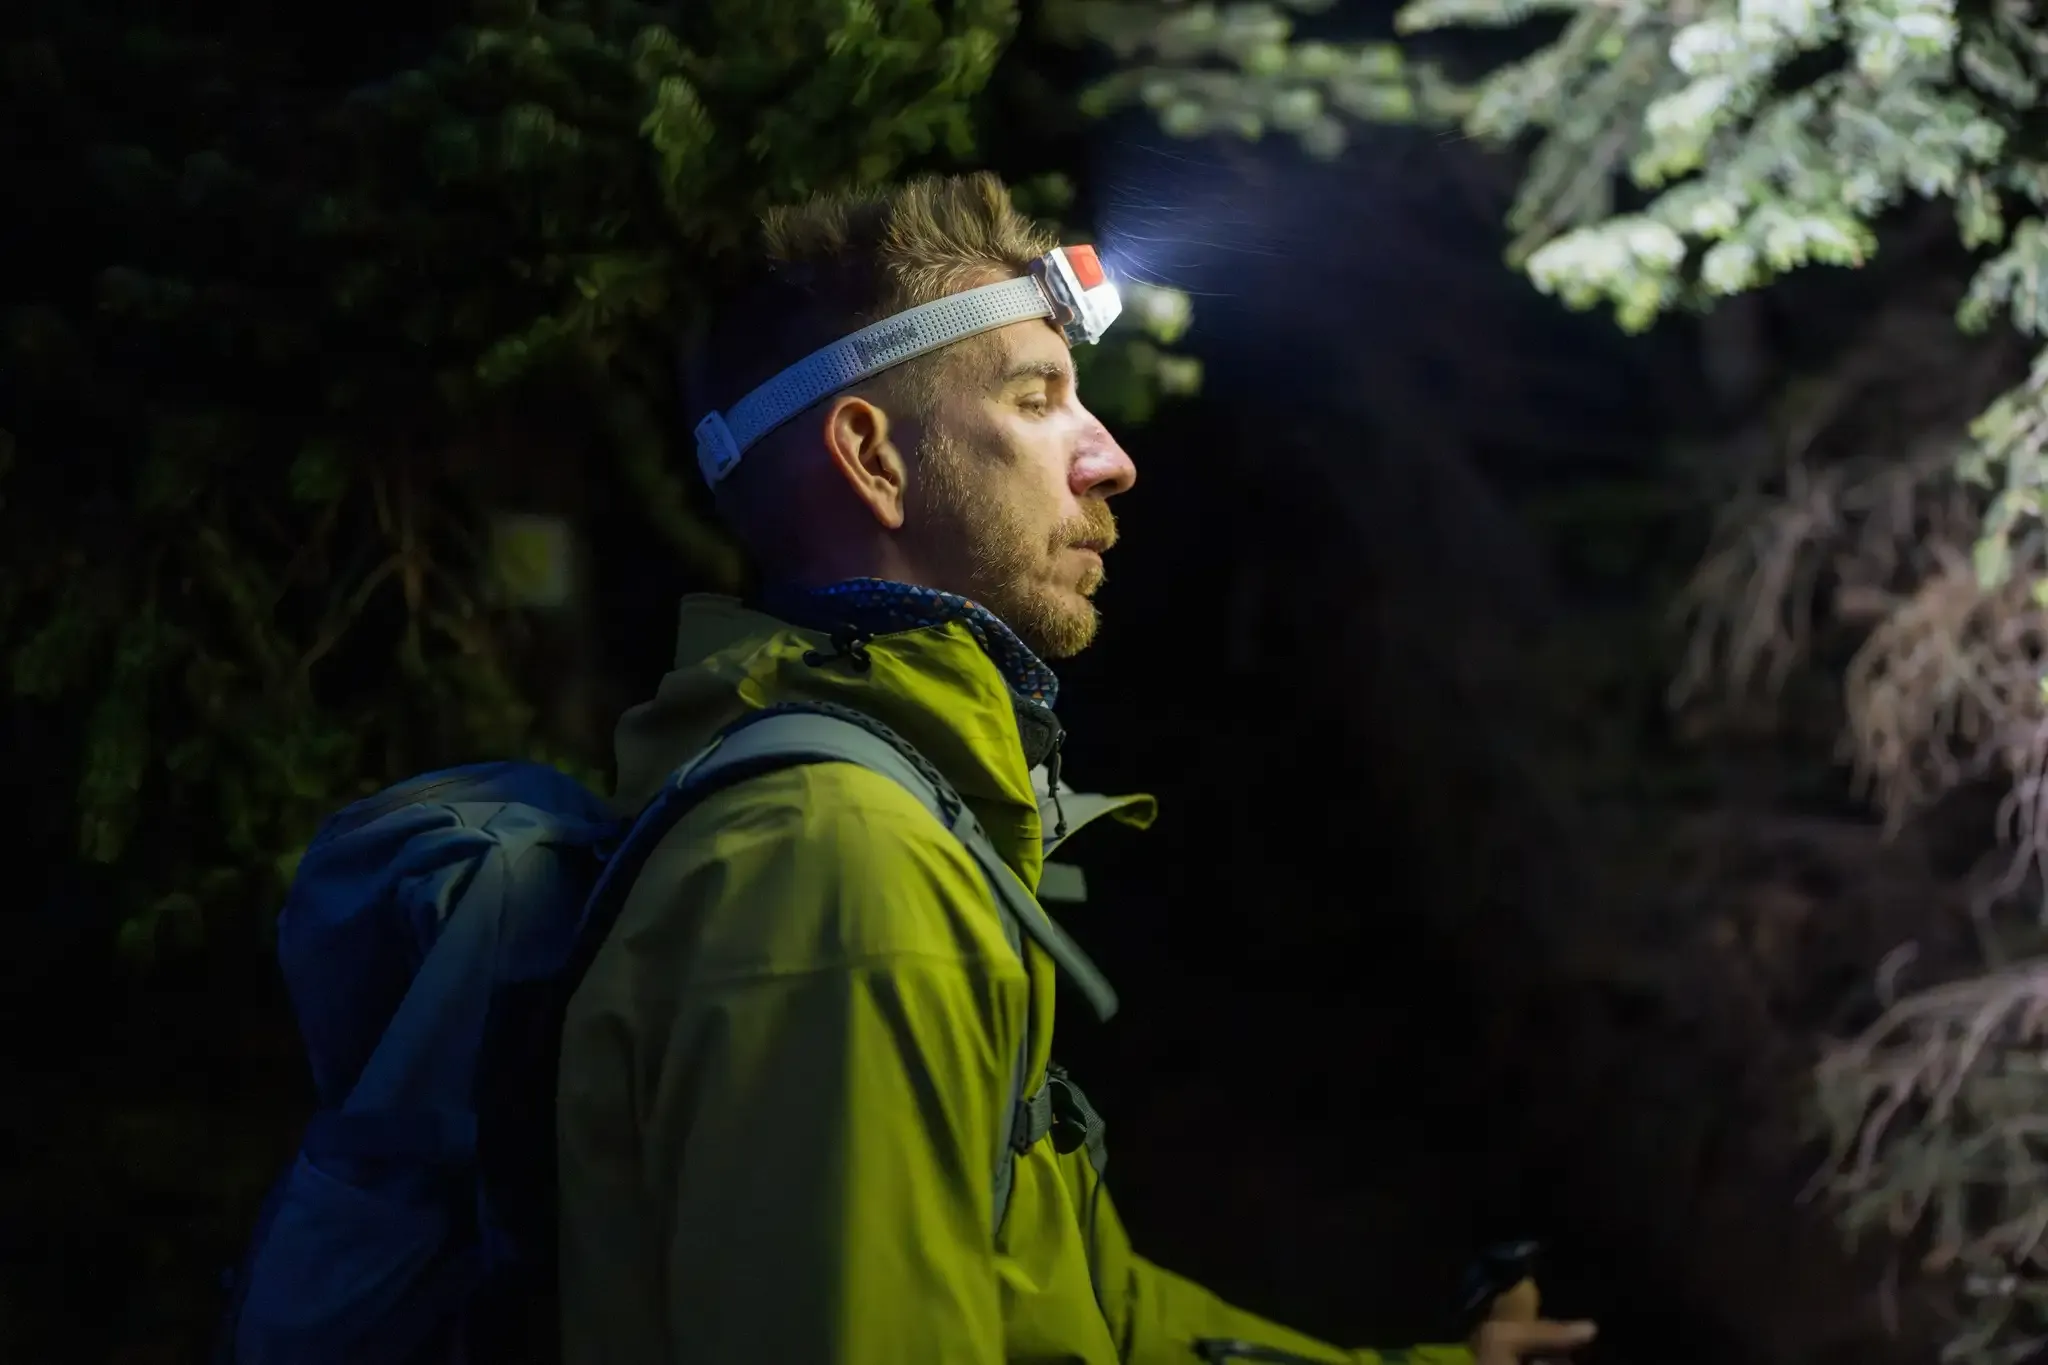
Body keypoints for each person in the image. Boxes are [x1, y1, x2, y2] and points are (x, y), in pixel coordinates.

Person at [554, 170, 1598, 1365]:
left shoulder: (908, 820)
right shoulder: (838, 868)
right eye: (1037, 396)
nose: (1108, 460)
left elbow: (1077, 1311)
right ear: (873, 458)